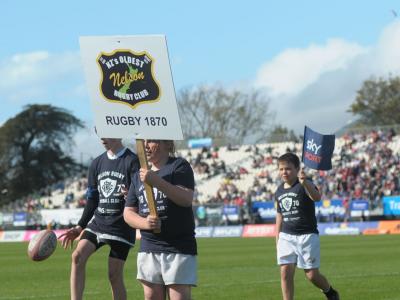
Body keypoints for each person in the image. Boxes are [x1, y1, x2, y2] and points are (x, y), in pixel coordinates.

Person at [59, 135, 139, 300]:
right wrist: (80, 226)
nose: (102, 137)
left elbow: (141, 194)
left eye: (106, 133)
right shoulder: (96, 163)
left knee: (114, 275)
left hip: (121, 226)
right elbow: (92, 199)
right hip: (99, 222)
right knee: (77, 256)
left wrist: (131, 196)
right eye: (99, 133)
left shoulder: (132, 160)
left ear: (118, 134)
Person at [124, 139, 197, 300]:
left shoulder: (179, 166)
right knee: (150, 296)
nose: (145, 145)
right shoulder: (138, 175)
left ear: (167, 144)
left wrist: (156, 181)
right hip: (149, 246)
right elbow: (128, 213)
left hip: (178, 247)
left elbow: (185, 198)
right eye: (143, 141)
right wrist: (144, 223)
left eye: (151, 141)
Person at [275, 153, 340, 300]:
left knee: (311, 275)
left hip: (307, 235)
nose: (284, 172)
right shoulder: (279, 190)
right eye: (281, 169)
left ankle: (330, 291)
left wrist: (306, 183)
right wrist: (277, 238)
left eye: (288, 169)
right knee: (285, 272)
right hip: (286, 236)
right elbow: (279, 216)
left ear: (297, 169)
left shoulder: (304, 183)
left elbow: (317, 197)